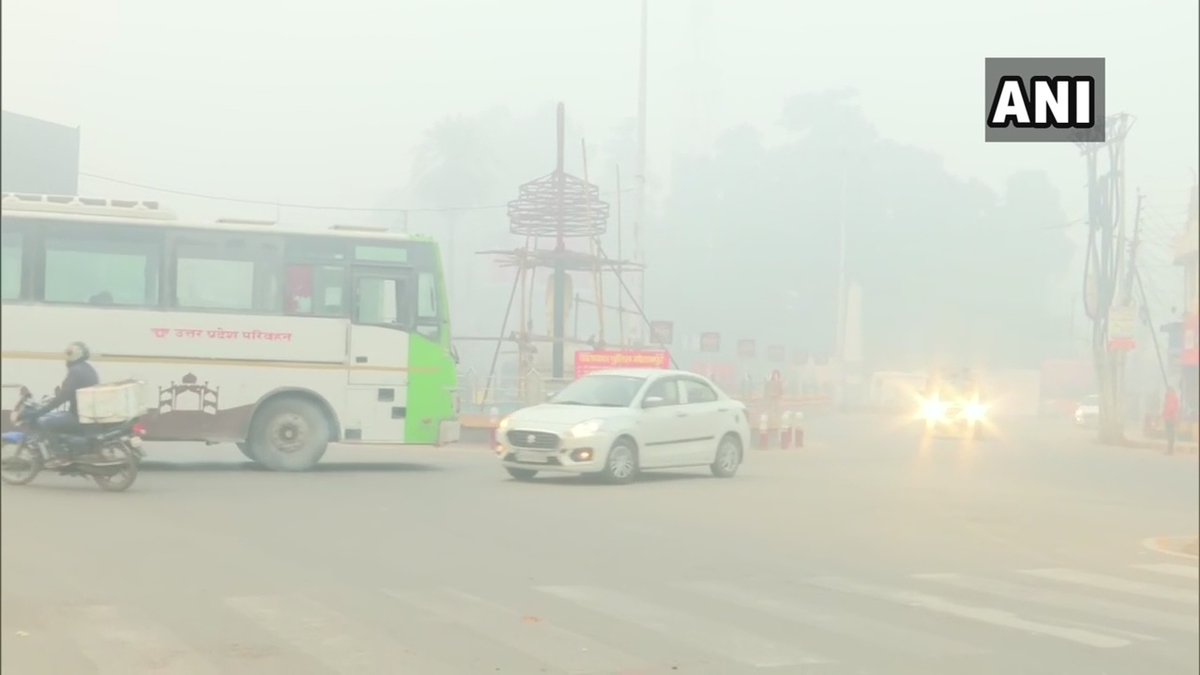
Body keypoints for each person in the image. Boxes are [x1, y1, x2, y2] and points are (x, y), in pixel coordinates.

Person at [21, 341, 100, 466]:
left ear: (72, 355)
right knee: (59, 417)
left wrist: (41, 411)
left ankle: (61, 456)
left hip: (78, 415)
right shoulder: (88, 368)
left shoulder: (75, 371)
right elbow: (69, 392)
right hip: (87, 414)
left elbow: (63, 396)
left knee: (44, 421)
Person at [1162, 386, 1181, 455]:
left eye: (1168, 390)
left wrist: (1169, 415)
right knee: (1170, 433)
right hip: (1170, 418)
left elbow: (1171, 407)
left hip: (1170, 418)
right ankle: (1170, 449)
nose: (1167, 391)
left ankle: (1170, 449)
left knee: (1170, 433)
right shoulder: (1173, 397)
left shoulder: (1171, 397)